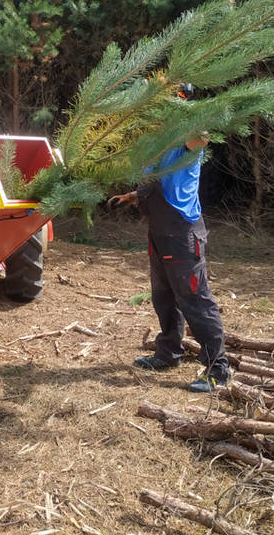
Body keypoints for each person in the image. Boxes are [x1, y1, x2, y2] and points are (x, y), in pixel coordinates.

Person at [109, 110, 230, 392]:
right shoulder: (158, 150)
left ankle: (218, 370)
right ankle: (168, 353)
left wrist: (184, 108)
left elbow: (201, 136)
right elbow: (158, 183)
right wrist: (136, 196)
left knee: (196, 300)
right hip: (160, 232)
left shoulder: (186, 144)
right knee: (163, 296)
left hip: (183, 236)